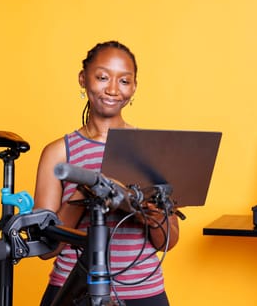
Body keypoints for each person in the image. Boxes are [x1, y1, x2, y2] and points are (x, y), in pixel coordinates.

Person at [34, 41, 179, 306]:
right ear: (83, 79)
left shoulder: (150, 149)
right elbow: (46, 247)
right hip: (74, 290)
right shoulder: (59, 153)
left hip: (143, 292)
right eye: (102, 77)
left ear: (134, 87)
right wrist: (85, 192)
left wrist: (149, 212)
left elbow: (168, 242)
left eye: (124, 81)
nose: (112, 89)